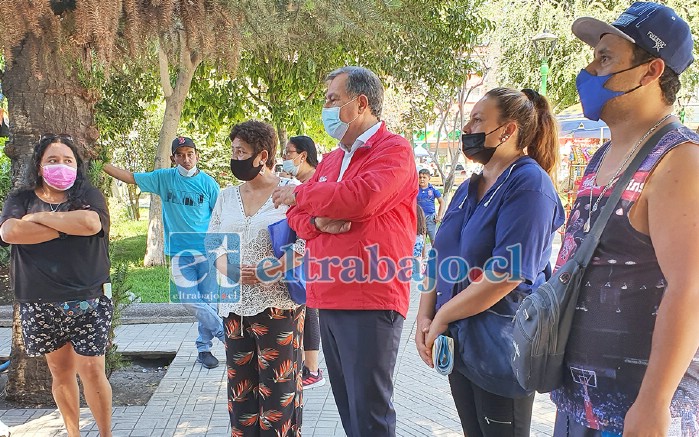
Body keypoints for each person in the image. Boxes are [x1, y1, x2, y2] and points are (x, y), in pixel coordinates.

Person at [551, 3, 699, 435]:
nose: (590, 69)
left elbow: (690, 288)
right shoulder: (603, 155)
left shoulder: (679, 160)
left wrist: (654, 403)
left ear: (651, 71)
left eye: (606, 58)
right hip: (581, 406)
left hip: (636, 415)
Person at [272, 66, 417, 437]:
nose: (326, 107)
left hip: (370, 296)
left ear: (361, 103)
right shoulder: (334, 160)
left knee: (370, 415)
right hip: (329, 295)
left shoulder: (394, 150)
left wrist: (303, 194)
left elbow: (361, 198)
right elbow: (298, 217)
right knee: (350, 412)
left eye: (333, 99)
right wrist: (320, 220)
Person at [415, 88, 565, 436]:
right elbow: (438, 254)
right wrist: (424, 315)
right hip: (462, 347)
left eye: (478, 119)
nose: (467, 128)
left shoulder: (530, 186)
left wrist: (441, 316)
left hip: (503, 351)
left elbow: (506, 274)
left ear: (508, 131)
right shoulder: (471, 186)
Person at [0, 134, 113, 437]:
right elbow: (11, 232)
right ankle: (73, 433)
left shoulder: (88, 194)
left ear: (77, 165)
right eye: (52, 160)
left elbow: (90, 224)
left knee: (92, 370)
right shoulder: (20, 198)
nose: (60, 166)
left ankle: (106, 434)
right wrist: (66, 228)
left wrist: (39, 219)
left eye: (68, 160)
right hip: (40, 301)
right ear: (39, 165)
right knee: (60, 373)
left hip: (88, 299)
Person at [207, 120, 304, 436]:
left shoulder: (291, 193)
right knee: (241, 396)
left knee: (278, 397)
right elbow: (212, 243)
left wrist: (274, 270)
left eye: (241, 152)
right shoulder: (226, 196)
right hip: (233, 307)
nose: (235, 158)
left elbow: (309, 242)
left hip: (277, 307)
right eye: (233, 151)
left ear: (262, 155)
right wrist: (230, 270)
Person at [103, 136, 224, 369]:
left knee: (209, 301)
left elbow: (219, 218)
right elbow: (130, 178)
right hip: (179, 252)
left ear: (197, 155)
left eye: (190, 153)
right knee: (190, 300)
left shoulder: (209, 184)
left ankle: (204, 348)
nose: (186, 159)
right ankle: (226, 335)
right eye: (181, 154)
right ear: (173, 158)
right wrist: (100, 162)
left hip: (206, 251)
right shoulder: (163, 179)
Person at [281, 135, 326, 389]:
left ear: (303, 155)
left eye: (289, 153)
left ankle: (313, 369)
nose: (285, 158)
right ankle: (306, 365)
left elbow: (318, 223)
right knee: (306, 308)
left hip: (313, 257)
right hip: (303, 257)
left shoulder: (316, 182)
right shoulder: (300, 183)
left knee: (310, 310)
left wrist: (298, 250)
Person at [417, 168, 445, 244]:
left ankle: (435, 255)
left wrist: (439, 216)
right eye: (420, 177)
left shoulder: (432, 189)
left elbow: (442, 202)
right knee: (420, 240)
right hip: (419, 218)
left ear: (429, 178)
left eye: (424, 177)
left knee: (433, 239)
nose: (422, 179)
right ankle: (422, 256)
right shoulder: (415, 189)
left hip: (430, 218)